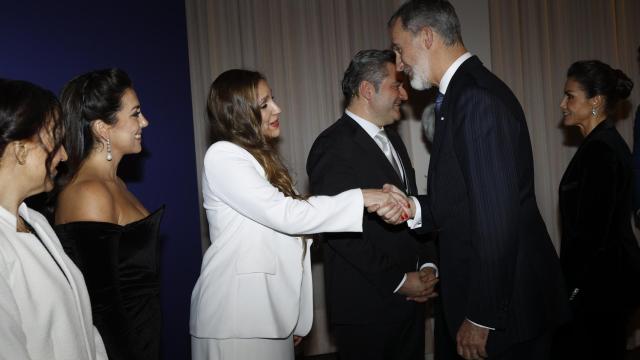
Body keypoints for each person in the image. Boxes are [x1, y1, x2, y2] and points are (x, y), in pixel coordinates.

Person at [384, 1, 570, 359]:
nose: (398, 62)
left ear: (426, 37)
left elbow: (496, 218)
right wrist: (412, 206)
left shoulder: (475, 98)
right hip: (498, 301)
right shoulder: (458, 97)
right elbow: (462, 200)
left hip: (507, 310)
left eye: (398, 47)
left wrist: (482, 316)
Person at [189, 69, 407, 360]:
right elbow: (287, 216)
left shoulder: (262, 161)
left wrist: (293, 316)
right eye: (264, 104)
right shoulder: (223, 155)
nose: (277, 109)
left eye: (273, 99)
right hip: (237, 321)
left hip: (270, 317)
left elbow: (291, 231)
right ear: (238, 113)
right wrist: (362, 197)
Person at [306, 49, 438, 360]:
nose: (404, 95)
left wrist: (427, 264)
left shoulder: (394, 139)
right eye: (396, 85)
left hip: (410, 305)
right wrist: (401, 281)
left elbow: (412, 209)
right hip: (367, 311)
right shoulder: (332, 146)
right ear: (367, 90)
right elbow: (339, 233)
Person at [54, 68, 163, 360]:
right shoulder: (88, 193)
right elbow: (102, 307)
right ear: (103, 129)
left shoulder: (115, 184)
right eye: (135, 114)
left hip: (144, 336)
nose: (145, 122)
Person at [0, 78, 107, 359]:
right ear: (20, 150)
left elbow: (82, 326)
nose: (63, 155)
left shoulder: (37, 222)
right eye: (55, 141)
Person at [553, 60, 638, 360]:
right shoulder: (602, 144)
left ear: (596, 102)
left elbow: (593, 236)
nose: (562, 104)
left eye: (570, 96)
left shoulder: (601, 150)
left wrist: (573, 292)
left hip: (600, 290)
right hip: (603, 285)